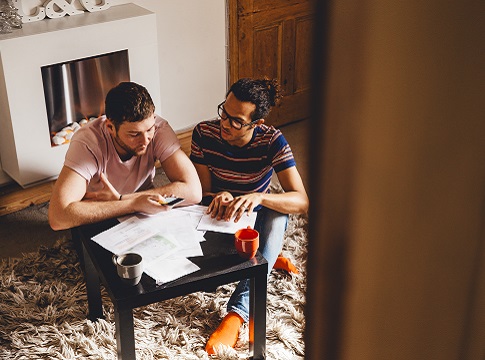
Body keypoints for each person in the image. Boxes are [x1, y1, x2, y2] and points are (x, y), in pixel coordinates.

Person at [190, 78, 309, 354]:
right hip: (219, 217)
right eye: (224, 113)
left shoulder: (272, 141)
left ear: (257, 124)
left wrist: (259, 197)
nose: (225, 123)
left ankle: (236, 314)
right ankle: (267, 255)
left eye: (236, 121)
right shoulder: (203, 134)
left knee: (278, 216)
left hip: (254, 220)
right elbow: (201, 194)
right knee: (195, 265)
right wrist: (216, 196)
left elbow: (302, 201)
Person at [48, 81, 202, 230]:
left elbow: (194, 191)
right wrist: (131, 204)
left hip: (145, 210)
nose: (145, 140)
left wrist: (124, 199)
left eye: (149, 130)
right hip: (99, 213)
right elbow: (58, 217)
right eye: (134, 134)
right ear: (110, 127)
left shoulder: (159, 129)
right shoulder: (88, 142)